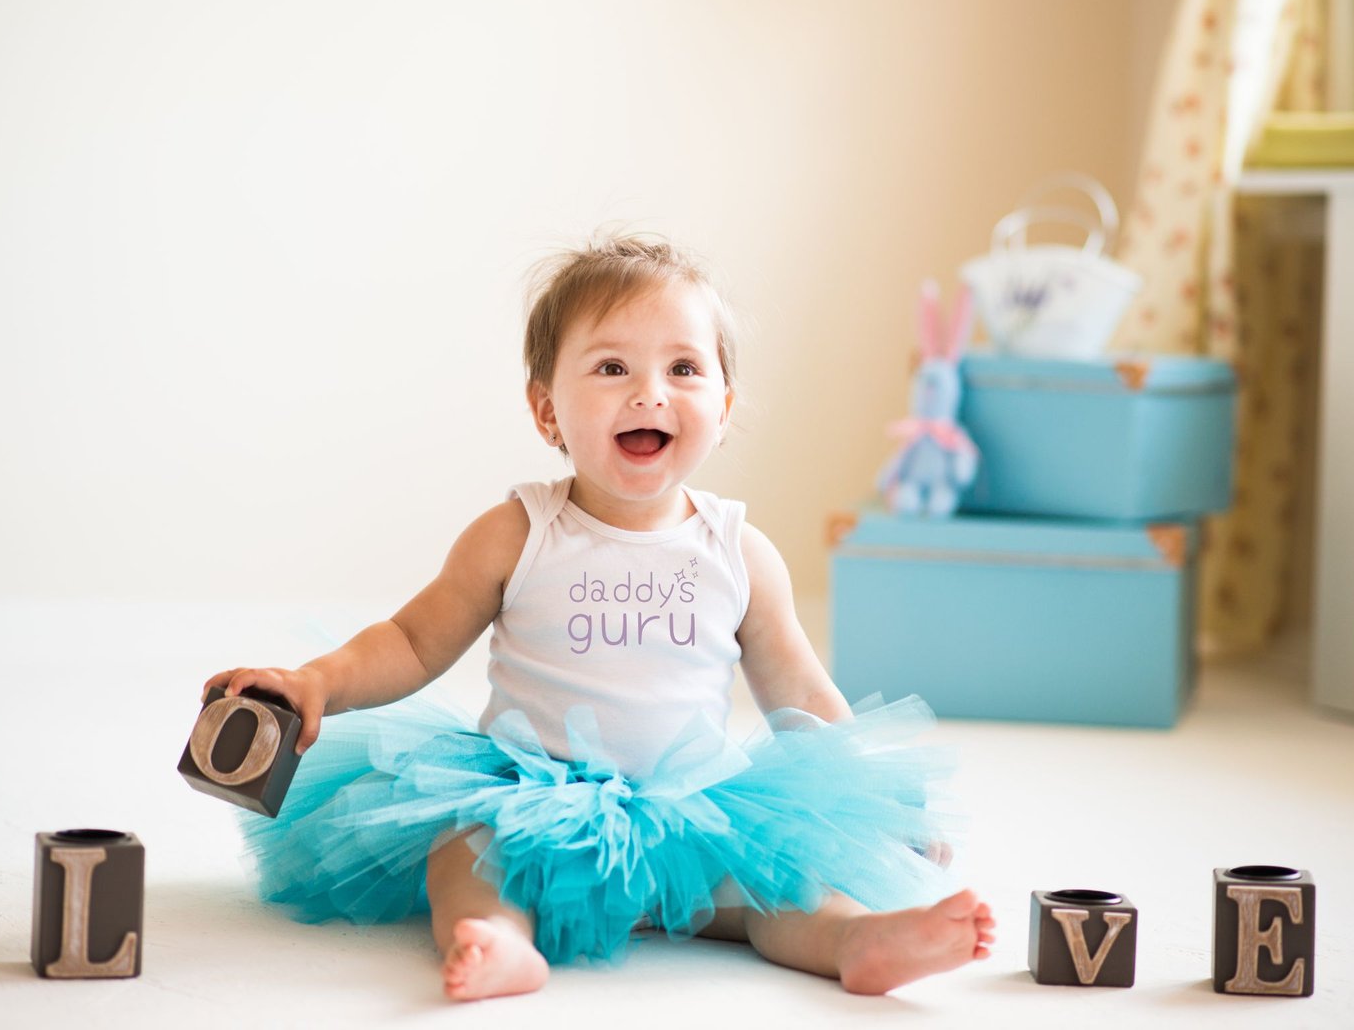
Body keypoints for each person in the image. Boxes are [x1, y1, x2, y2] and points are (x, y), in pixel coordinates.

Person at [205, 233, 995, 1001]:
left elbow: (802, 695)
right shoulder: (518, 532)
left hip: (691, 820)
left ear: (722, 407)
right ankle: (498, 937)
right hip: (531, 808)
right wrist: (315, 681)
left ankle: (858, 941)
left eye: (683, 367)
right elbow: (412, 642)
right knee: (465, 851)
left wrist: (877, 801)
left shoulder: (739, 551)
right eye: (612, 366)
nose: (649, 391)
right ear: (548, 410)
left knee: (783, 881)